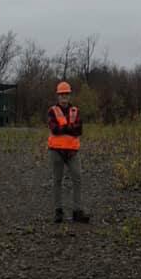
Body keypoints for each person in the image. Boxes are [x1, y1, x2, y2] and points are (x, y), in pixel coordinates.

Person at [47, 81, 90, 224]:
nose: (64, 97)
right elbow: (54, 129)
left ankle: (77, 211)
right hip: (56, 151)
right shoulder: (52, 111)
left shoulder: (75, 111)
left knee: (78, 178)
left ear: (69, 95)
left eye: (66, 94)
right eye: (61, 94)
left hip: (72, 152)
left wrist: (64, 127)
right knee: (57, 181)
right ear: (58, 96)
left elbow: (80, 130)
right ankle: (58, 211)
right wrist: (70, 127)